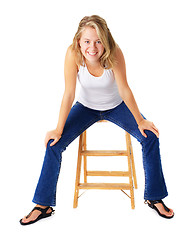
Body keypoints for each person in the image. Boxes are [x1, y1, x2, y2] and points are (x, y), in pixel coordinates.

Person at [20, 15, 174, 225]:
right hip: (85, 107)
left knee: (150, 137)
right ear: (78, 42)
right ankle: (43, 205)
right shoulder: (72, 54)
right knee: (53, 144)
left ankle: (154, 197)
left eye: (98, 41)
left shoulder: (115, 52)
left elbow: (124, 89)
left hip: (117, 106)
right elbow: (68, 93)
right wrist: (58, 129)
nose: (92, 47)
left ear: (105, 40)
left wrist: (140, 120)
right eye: (87, 41)